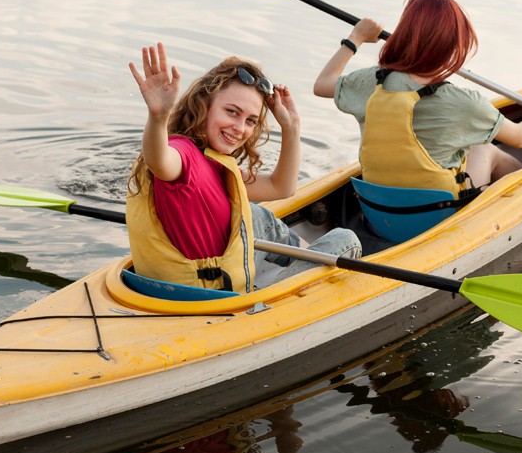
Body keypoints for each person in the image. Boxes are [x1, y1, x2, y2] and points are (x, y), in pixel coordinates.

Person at [126, 42, 360, 293]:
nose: (240, 127)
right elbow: (159, 159)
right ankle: (302, 274)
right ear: (203, 105)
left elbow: (281, 187)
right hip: (210, 294)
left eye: (250, 120)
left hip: (213, 272)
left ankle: (301, 258)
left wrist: (291, 127)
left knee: (255, 214)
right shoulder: (183, 155)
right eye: (231, 112)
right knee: (345, 240)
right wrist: (158, 116)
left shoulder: (212, 160)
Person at [313, 0, 522, 196]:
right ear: (455, 47)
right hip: (438, 214)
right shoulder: (466, 103)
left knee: (475, 144)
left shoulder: (371, 81)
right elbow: (520, 137)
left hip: (379, 208)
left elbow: (323, 84)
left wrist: (355, 37)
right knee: (484, 147)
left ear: (403, 35)